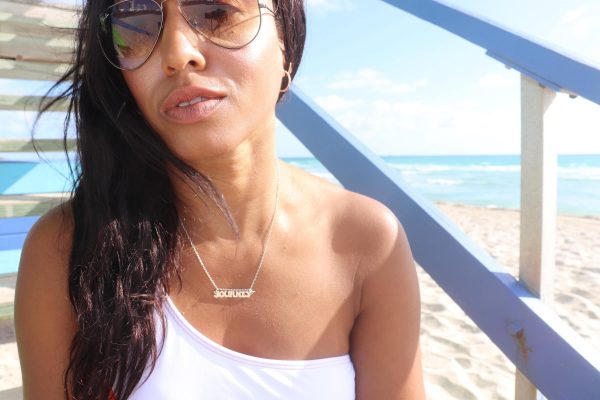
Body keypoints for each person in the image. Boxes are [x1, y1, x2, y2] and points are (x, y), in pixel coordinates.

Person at [14, 0, 425, 398]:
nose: (177, 53)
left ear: (285, 43)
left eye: (216, 12)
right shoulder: (67, 249)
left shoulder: (367, 242)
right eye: (136, 25)